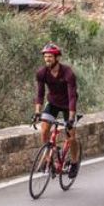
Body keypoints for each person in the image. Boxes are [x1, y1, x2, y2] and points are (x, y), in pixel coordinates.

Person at [34, 44, 80, 177]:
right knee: (44, 130)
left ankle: (74, 163)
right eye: (45, 56)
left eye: (50, 56)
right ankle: (49, 160)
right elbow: (40, 94)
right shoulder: (42, 73)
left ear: (56, 58)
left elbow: (72, 96)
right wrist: (37, 112)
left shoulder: (67, 73)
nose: (47, 59)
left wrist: (71, 118)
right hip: (53, 103)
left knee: (71, 136)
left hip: (68, 105)